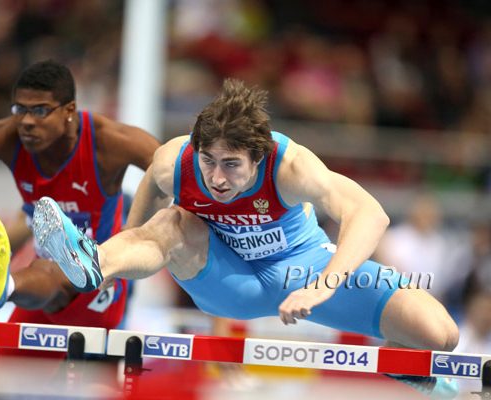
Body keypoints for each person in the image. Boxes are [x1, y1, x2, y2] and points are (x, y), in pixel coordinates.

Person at [34, 78, 460, 397]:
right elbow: (148, 202)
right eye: (209, 161)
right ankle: (95, 262)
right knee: (173, 222)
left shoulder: (290, 166)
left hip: (301, 268)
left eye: (232, 165)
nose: (217, 178)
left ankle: (404, 365)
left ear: (258, 157)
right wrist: (120, 258)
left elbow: (369, 213)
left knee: (440, 334)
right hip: (226, 278)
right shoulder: (174, 162)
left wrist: (322, 284)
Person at [0, 60, 160, 383]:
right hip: (39, 290)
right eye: (19, 109)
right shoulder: (7, 137)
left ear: (69, 110)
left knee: (55, 270)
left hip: (99, 286)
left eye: (40, 110)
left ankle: (5, 285)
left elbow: (173, 169)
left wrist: (141, 236)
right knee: (0, 384)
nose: (26, 121)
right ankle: (5, 286)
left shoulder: (109, 141)